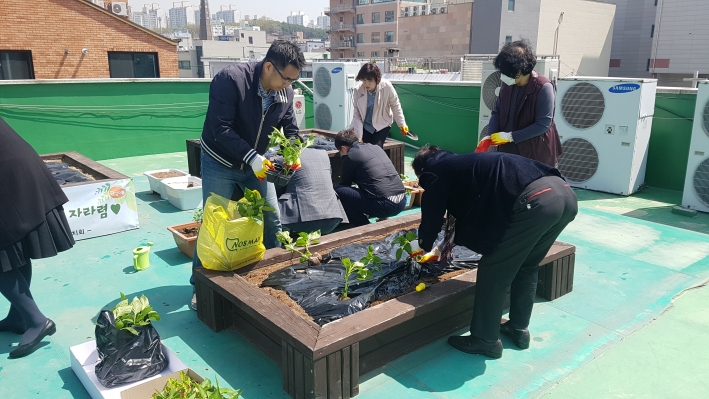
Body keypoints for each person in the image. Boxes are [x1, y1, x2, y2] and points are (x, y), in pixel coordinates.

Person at [411, 145, 577, 358]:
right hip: (564, 194)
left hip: (536, 202)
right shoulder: (465, 163)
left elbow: (432, 215)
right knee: (526, 266)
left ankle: (485, 339)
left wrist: (422, 245)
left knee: (493, 270)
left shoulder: (435, 170)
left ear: (422, 170)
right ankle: (518, 329)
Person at [191, 40, 306, 310]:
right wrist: (252, 157)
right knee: (214, 224)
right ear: (269, 67)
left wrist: (293, 151)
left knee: (271, 220)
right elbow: (221, 128)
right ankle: (200, 288)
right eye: (286, 78)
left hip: (256, 165)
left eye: (293, 80)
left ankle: (273, 279)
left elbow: (290, 129)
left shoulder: (285, 94)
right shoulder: (230, 80)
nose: (289, 85)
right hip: (220, 161)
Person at [0, 117, 75, 358]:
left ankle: (36, 320)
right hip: (20, 166)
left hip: (7, 174)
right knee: (15, 247)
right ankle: (19, 316)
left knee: (2, 253)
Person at [484, 39, 562, 167]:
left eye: (506, 72)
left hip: (535, 152)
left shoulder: (543, 87)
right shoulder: (507, 84)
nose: (503, 76)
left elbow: (543, 125)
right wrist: (489, 136)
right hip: (508, 149)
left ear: (520, 70)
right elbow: (497, 111)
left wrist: (510, 136)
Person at [333, 129, 407, 227]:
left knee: (337, 191)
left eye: (340, 151)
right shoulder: (375, 147)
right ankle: (382, 218)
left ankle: (363, 225)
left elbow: (345, 184)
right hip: (402, 201)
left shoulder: (350, 156)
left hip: (385, 206)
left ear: (343, 148)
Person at [277, 148, 348, 235]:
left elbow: (278, 190)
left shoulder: (281, 160)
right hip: (335, 219)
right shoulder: (323, 153)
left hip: (301, 224)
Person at [349, 63, 409, 148]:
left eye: (369, 80)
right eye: (364, 80)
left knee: (376, 149)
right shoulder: (357, 90)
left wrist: (402, 124)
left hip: (382, 124)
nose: (366, 84)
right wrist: (359, 136)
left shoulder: (387, 86)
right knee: (362, 149)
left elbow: (395, 105)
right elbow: (357, 115)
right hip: (364, 125)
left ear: (377, 79)